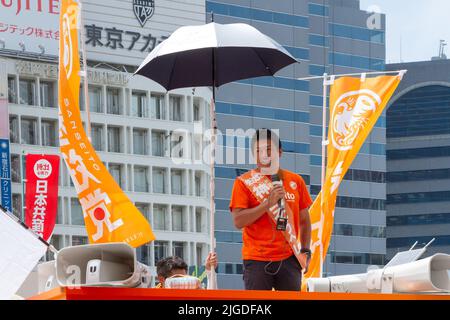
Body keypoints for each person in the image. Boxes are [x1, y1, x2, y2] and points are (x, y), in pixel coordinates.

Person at [229, 128, 313, 291]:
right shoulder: (244, 182)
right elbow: (238, 221)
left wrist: (306, 250)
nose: (264, 154)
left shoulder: (296, 181)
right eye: (259, 151)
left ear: (279, 152)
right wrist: (267, 204)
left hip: (290, 257)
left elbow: (304, 220)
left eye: (269, 149)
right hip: (256, 258)